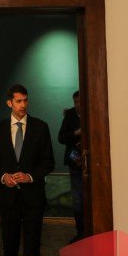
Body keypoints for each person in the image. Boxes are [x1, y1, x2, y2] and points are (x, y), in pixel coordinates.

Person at [0, 83, 55, 256]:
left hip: (33, 197)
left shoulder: (40, 127)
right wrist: (3, 176)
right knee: (9, 245)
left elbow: (48, 162)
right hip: (8, 197)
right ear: (9, 103)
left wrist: (29, 176)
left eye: (25, 100)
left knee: (33, 246)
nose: (23, 105)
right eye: (18, 101)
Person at [58, 90, 84, 242]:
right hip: (75, 163)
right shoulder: (69, 115)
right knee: (77, 199)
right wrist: (76, 133)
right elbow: (61, 138)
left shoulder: (92, 112)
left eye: (80, 101)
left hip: (92, 163)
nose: (78, 105)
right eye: (76, 102)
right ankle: (80, 232)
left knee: (91, 198)